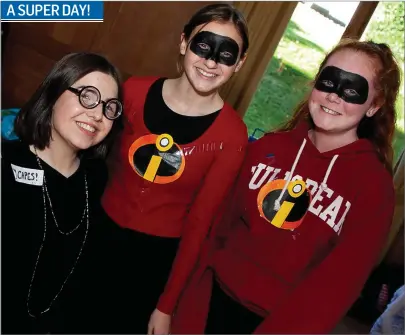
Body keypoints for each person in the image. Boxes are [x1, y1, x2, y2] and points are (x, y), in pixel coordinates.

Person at [171, 39, 400, 334]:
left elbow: (336, 288)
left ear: (374, 105)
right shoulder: (268, 148)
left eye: (352, 90)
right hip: (207, 305)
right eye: (328, 82)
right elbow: (216, 229)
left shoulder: (373, 188)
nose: (333, 96)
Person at [99, 3, 249, 334]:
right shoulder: (135, 91)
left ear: (238, 64)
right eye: (203, 45)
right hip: (98, 233)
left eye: (226, 54)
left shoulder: (231, 135)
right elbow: (96, 155)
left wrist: (166, 305)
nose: (211, 61)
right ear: (184, 43)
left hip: (152, 262)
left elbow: (200, 223)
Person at [1, 52, 123, 334]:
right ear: (54, 91)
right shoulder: (5, 163)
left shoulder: (96, 176)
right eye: (87, 96)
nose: (96, 114)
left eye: (109, 107)